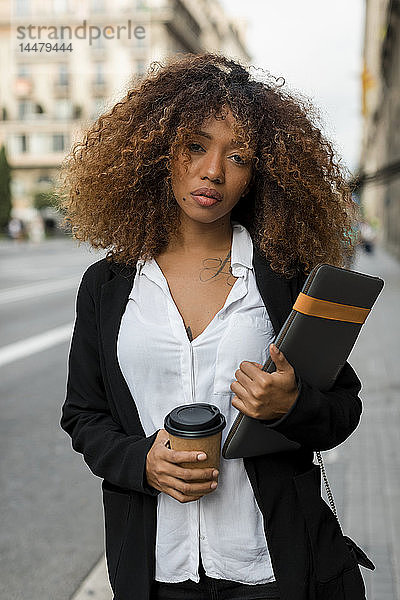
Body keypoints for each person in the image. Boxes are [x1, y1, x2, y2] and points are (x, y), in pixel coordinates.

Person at [58, 53, 366, 600]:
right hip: (156, 570)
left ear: (256, 174)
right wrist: (143, 462)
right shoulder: (106, 286)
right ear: (161, 151)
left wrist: (291, 406)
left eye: (239, 155)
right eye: (195, 146)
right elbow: (84, 415)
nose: (213, 172)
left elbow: (343, 409)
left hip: (272, 567)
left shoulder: (284, 279)